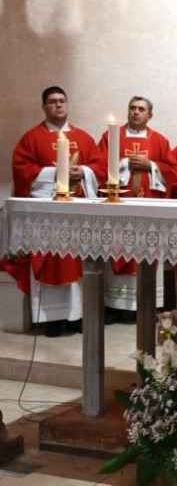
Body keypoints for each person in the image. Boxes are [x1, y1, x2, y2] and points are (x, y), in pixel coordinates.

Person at [4, 86, 104, 337]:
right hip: (46, 214)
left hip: (77, 213)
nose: (58, 105)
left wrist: (83, 172)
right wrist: (54, 173)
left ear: (68, 104)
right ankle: (51, 319)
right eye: (52, 102)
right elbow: (21, 168)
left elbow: (100, 165)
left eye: (62, 101)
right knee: (50, 261)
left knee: (79, 262)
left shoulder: (83, 138)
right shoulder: (32, 138)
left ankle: (76, 316)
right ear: (44, 107)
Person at [94, 96, 177, 321]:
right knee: (118, 249)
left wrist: (151, 165)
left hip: (149, 209)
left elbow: (173, 171)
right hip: (119, 208)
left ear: (150, 115)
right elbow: (98, 165)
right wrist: (124, 163)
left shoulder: (159, 140)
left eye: (141, 109)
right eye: (132, 108)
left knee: (147, 251)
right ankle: (115, 306)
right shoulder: (111, 137)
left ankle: (148, 305)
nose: (136, 112)